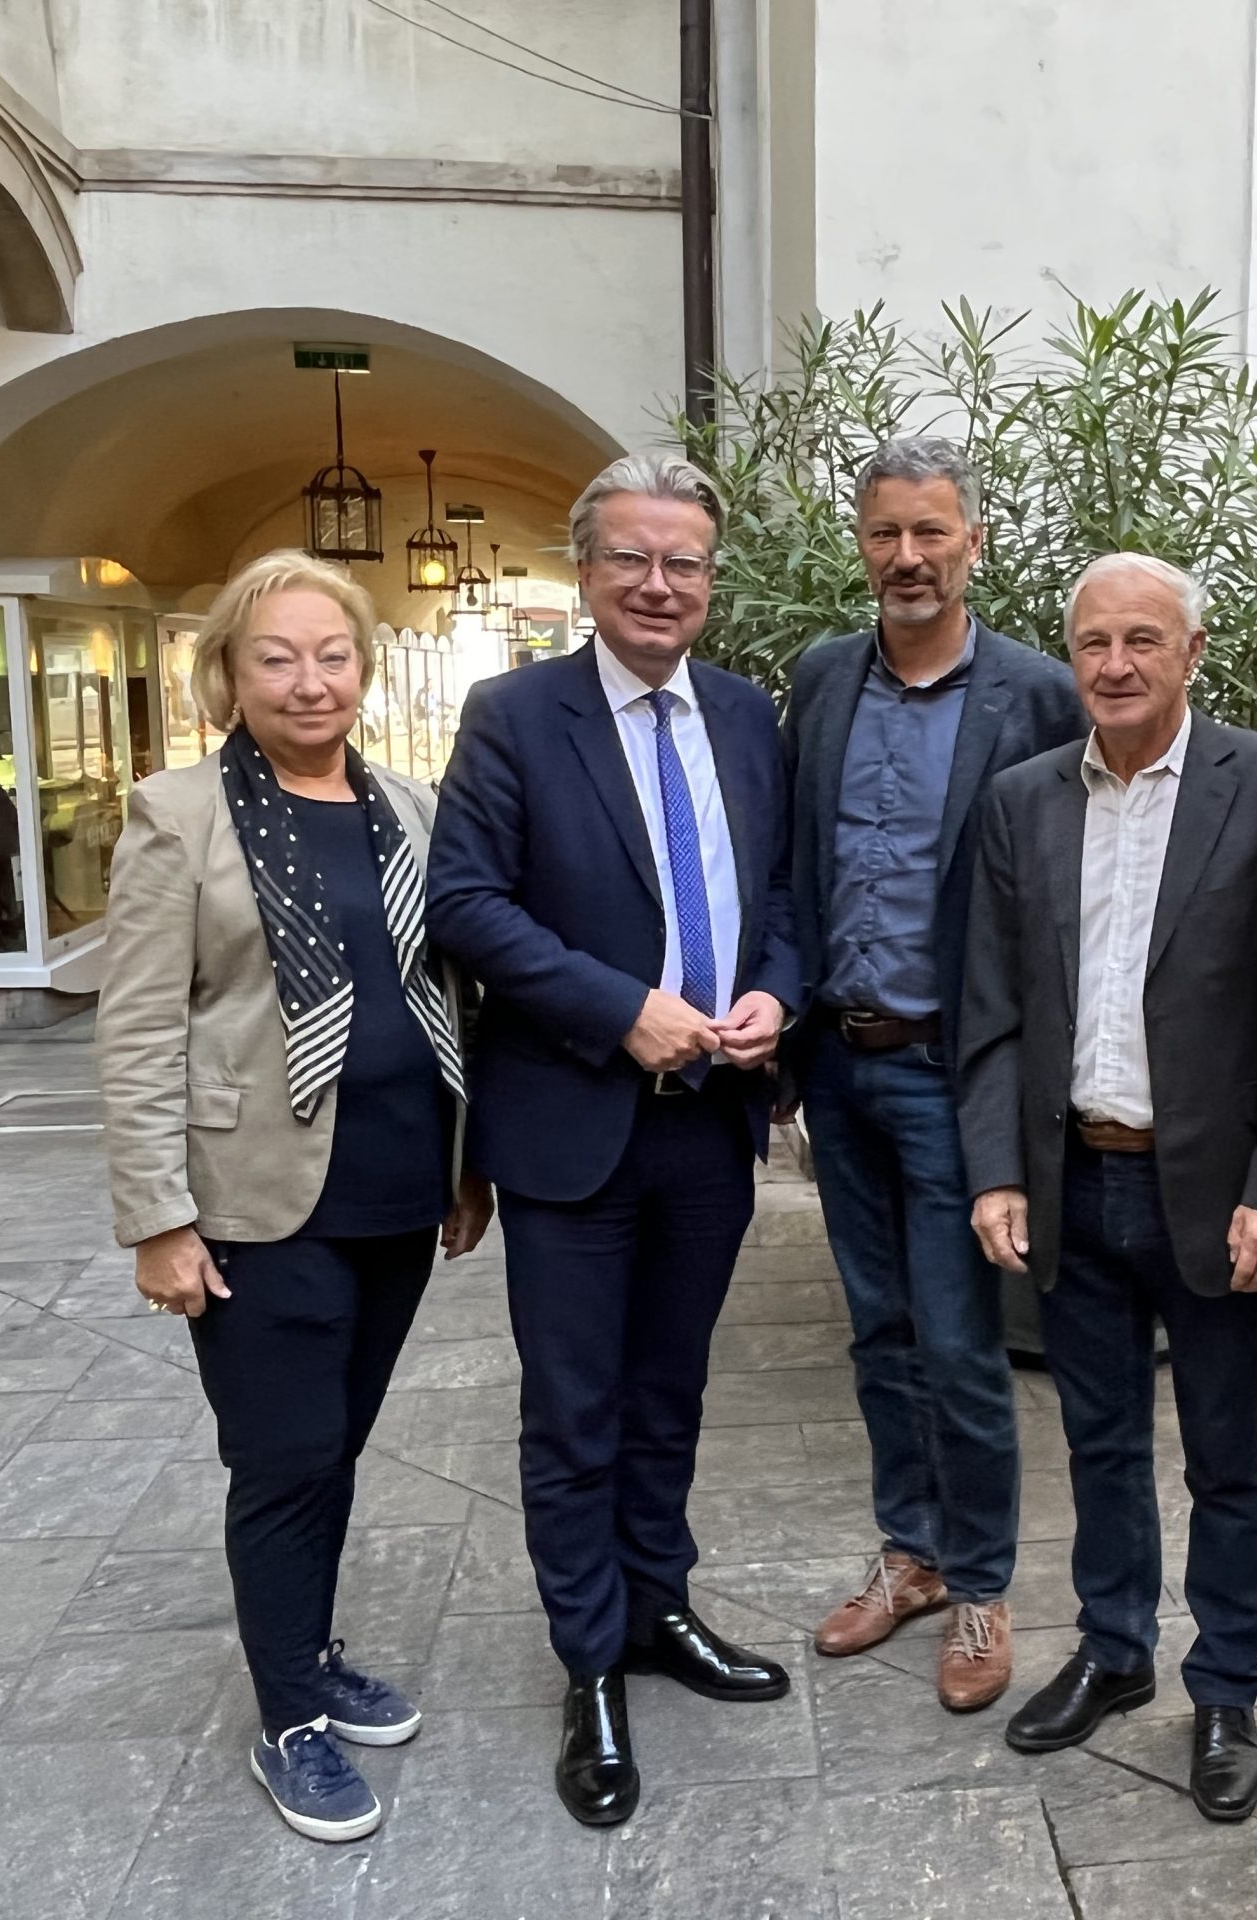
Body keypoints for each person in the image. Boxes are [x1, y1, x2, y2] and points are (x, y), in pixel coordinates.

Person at [425, 453, 801, 1830]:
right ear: (585, 571)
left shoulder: (748, 716)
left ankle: (657, 1609)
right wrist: (620, 1009)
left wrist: (777, 995)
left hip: (710, 1125)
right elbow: (466, 902)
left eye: (682, 562)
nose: (658, 584)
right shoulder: (516, 715)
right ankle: (588, 1662)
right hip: (572, 1124)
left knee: (669, 1394)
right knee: (574, 1409)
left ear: (711, 579)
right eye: (631, 559)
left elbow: (783, 896)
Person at [97, 550, 492, 1844]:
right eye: (276, 657)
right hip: (255, 1202)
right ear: (228, 672)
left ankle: (308, 1653)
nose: (309, 680)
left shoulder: (408, 805)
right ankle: (289, 1721)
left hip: (395, 1185)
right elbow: (137, 1027)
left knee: (335, 1446)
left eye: (332, 655)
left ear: (364, 670)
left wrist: (467, 1163)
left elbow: (447, 990)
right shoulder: (178, 816)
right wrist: (158, 1218)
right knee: (282, 1460)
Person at [956, 553, 1257, 1823]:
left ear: (1191, 652)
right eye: (1093, 643)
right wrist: (997, 1171)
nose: (1114, 665)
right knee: (1099, 1439)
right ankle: (1114, 1650)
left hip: (1214, 1197)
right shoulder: (1021, 801)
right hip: (1072, 1180)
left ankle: (1225, 1687)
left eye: (1141, 641)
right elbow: (991, 1007)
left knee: (1225, 1452)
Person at [780, 436, 1082, 1711]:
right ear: (861, 544)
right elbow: (797, 862)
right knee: (881, 1332)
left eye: (930, 533)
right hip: (838, 1068)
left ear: (973, 543)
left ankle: (981, 1588)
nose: (907, 557)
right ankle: (908, 1553)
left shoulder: (1037, 695)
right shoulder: (821, 679)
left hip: (956, 1076)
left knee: (961, 1346)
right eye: (885, 534)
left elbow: (1065, 901)